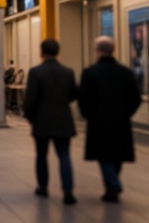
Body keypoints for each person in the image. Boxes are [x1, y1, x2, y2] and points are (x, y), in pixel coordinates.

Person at [78, 35, 141, 202]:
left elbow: (83, 98)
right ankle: (111, 186)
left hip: (98, 121)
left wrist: (88, 114)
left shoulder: (90, 72)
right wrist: (126, 113)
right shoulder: (125, 72)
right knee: (117, 155)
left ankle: (113, 185)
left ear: (97, 51)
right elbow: (136, 98)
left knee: (104, 155)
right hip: (120, 121)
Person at [23, 38, 78, 205]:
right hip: (63, 119)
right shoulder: (68, 72)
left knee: (41, 154)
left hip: (42, 120)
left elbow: (30, 99)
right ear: (57, 52)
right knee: (64, 155)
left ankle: (43, 187)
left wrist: (31, 117)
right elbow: (73, 94)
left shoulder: (36, 72)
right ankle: (68, 190)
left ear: (41, 52)